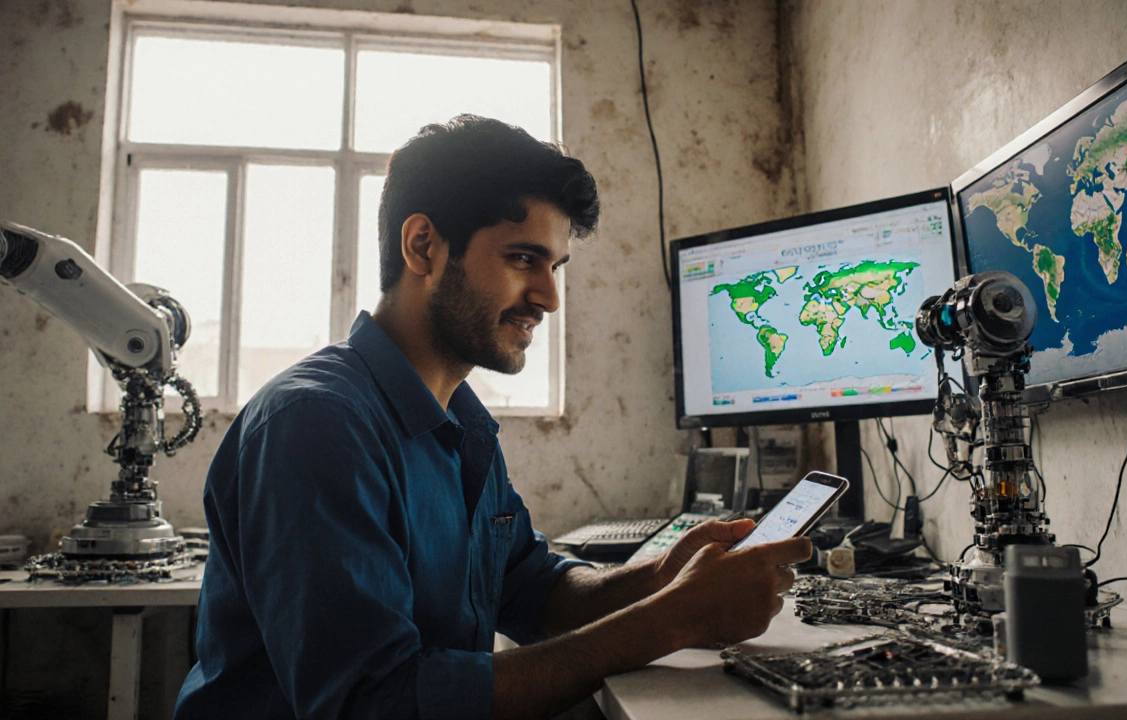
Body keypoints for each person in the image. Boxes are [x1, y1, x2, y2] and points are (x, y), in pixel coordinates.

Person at [173, 115, 811, 720]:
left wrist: (663, 577)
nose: (550, 298)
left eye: (555, 267)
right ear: (424, 246)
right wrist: (674, 620)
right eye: (523, 259)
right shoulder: (316, 424)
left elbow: (533, 590)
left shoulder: (461, 424)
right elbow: (375, 704)